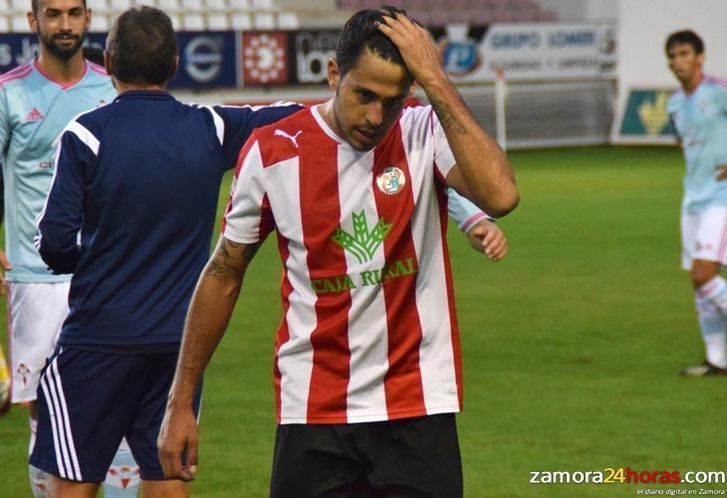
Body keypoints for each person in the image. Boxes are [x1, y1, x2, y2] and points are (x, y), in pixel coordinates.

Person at [158, 7, 518, 498]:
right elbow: (224, 273)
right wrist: (181, 401)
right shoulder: (272, 152)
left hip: (417, 406)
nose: (375, 117)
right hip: (314, 410)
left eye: (392, 102)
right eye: (363, 95)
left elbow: (500, 195)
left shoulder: (422, 131)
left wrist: (435, 77)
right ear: (333, 74)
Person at [30, 5, 305, 497]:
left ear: (108, 61)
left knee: (75, 478)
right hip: (179, 343)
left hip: (100, 336)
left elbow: (54, 242)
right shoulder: (211, 128)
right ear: (175, 64)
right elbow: (292, 115)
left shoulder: (86, 135)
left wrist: (93, 260)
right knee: (165, 474)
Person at [0, 0, 142, 496]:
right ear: (32, 21)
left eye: (75, 13)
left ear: (88, 19)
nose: (65, 24)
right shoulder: (9, 94)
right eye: (54, 13)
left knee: (120, 399)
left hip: (109, 275)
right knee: (42, 408)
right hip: (35, 279)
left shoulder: (113, 88)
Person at [665, 29, 727, 377]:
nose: (678, 62)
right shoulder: (675, 103)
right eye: (672, 56)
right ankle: (717, 360)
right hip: (693, 200)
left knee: (705, 275)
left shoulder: (719, 92)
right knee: (699, 282)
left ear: (700, 57)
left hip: (721, 198)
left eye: (684, 54)